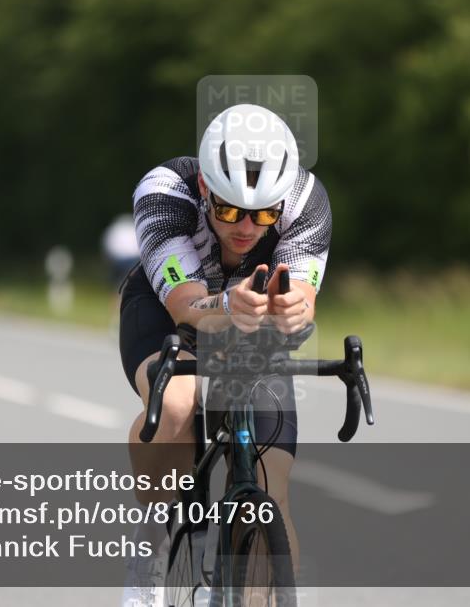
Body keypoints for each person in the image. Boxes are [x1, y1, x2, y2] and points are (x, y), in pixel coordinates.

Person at [119, 104, 332, 606]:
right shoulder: (166, 192)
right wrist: (224, 303)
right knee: (176, 404)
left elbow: (303, 296)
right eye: (230, 210)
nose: (246, 227)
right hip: (169, 308)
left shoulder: (307, 200)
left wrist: (292, 312)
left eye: (263, 214)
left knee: (271, 489)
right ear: (205, 191)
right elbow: (188, 306)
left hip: (253, 322)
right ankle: (154, 540)